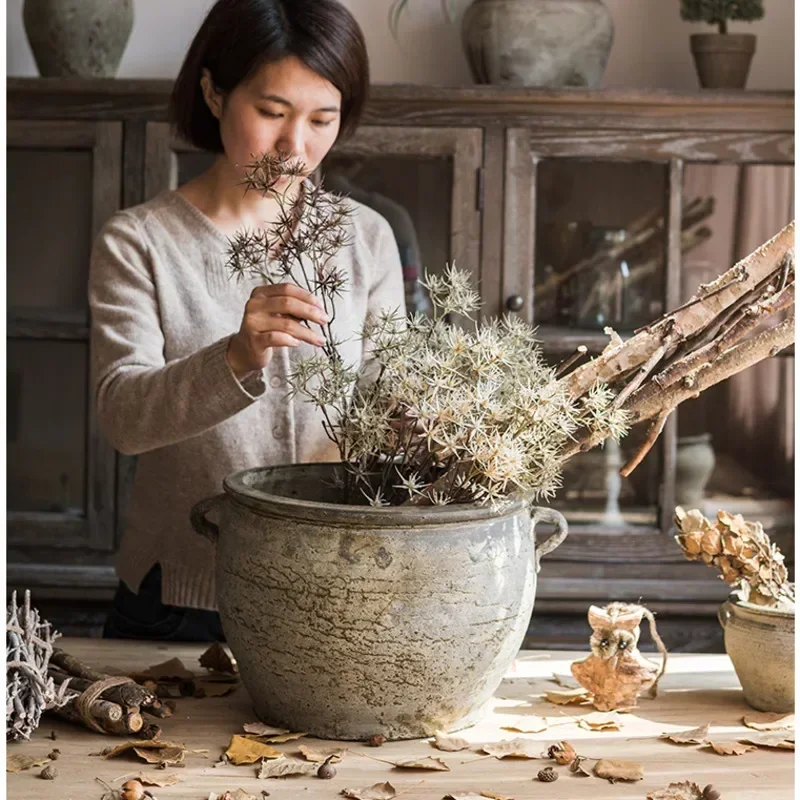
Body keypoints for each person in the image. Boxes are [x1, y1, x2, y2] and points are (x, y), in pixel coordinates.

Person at [90, 0, 405, 641]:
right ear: (213, 91)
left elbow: (389, 393)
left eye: (323, 119)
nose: (296, 146)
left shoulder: (365, 237)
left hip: (336, 590)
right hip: (181, 596)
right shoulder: (141, 241)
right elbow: (123, 418)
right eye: (271, 112)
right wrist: (234, 357)